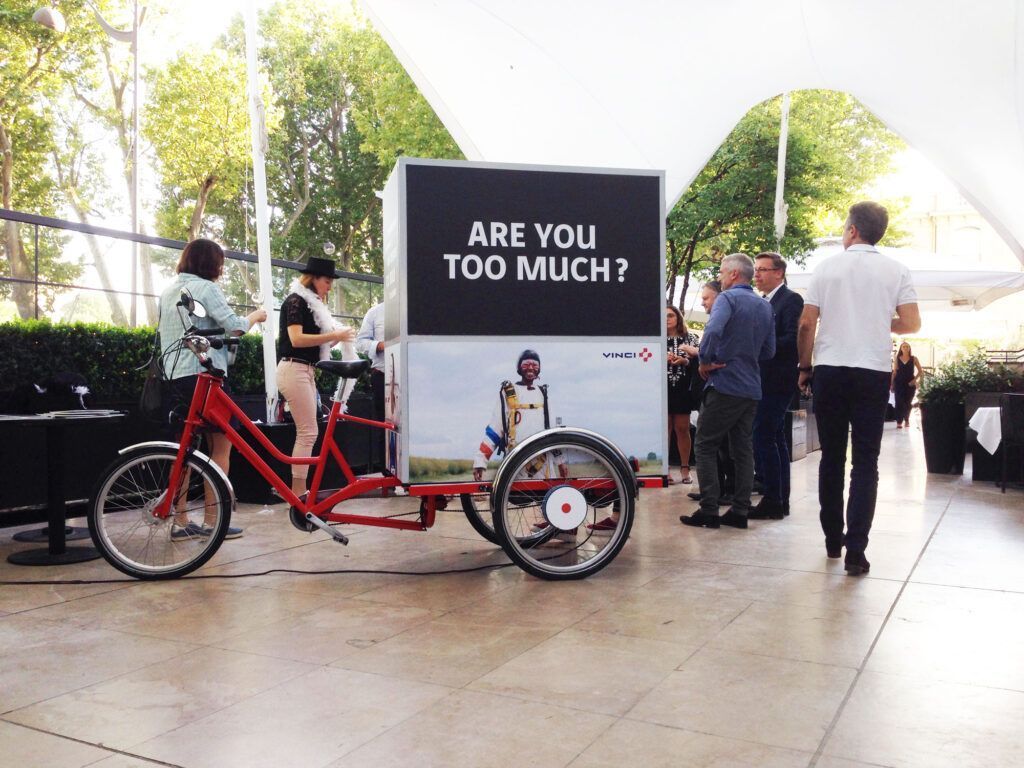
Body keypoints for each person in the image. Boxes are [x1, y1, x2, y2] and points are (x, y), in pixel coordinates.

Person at [797, 201, 920, 575]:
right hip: (872, 372)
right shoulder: (896, 270)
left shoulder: (826, 268)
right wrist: (880, 318)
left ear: (852, 230)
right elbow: (912, 323)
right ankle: (857, 550)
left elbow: (806, 324)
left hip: (831, 369)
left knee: (832, 457)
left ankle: (833, 540)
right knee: (866, 461)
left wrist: (805, 366)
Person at [158, 238, 267, 540]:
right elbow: (234, 326)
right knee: (221, 446)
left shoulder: (167, 292)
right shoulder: (206, 288)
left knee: (183, 450)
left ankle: (180, 521)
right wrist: (255, 317)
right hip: (205, 376)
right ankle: (212, 520)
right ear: (211, 264)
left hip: (175, 379)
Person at [681, 254, 774, 530]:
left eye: (722, 272)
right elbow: (769, 351)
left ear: (734, 274)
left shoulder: (727, 299)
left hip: (724, 384)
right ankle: (740, 510)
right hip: (751, 387)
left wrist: (706, 359)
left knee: (705, 443)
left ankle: (709, 509)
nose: (719, 277)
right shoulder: (764, 305)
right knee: (743, 449)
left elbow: (712, 331)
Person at [276, 257, 357, 498]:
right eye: (327, 280)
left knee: (309, 431)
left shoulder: (309, 305)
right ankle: (298, 492)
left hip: (304, 369)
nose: (330, 285)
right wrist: (335, 334)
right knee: (308, 431)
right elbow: (297, 340)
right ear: (313, 279)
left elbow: (312, 345)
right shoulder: (295, 301)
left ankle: (299, 491)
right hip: (294, 369)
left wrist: (337, 337)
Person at [748, 252, 804, 521]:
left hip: (777, 379)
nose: (756, 275)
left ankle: (773, 498)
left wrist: (756, 345)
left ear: (779, 272)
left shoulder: (790, 300)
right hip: (763, 378)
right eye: (756, 270)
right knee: (775, 438)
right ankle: (779, 500)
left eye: (762, 270)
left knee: (764, 436)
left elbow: (791, 339)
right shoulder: (764, 301)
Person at [472, 349, 566, 482]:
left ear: (539, 369)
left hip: (544, 465)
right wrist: (480, 462)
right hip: (517, 464)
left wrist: (560, 462)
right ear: (519, 368)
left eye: (535, 365)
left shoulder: (543, 394)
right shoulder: (509, 393)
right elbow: (495, 429)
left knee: (548, 500)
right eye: (526, 364)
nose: (531, 368)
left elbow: (553, 431)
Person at [666, 303, 700, 484]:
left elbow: (699, 361)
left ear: (678, 317)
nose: (667, 319)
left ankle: (685, 468)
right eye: (663, 316)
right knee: (665, 429)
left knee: (682, 428)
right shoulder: (656, 339)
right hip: (662, 389)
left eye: (670, 315)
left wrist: (684, 362)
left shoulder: (690, 338)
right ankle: (665, 470)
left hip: (683, 388)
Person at [356, 302, 386, 468]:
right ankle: (387, 474)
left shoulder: (416, 308)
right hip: (382, 375)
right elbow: (360, 343)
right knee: (384, 425)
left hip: (413, 376)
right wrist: (379, 345)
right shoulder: (375, 312)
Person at [891, 341, 923, 429]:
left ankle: (907, 419)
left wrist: (914, 380)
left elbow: (920, 371)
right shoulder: (897, 358)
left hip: (910, 383)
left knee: (908, 402)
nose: (905, 348)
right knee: (899, 402)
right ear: (901, 348)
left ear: (909, 348)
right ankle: (899, 421)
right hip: (899, 382)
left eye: (907, 346)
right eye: (904, 346)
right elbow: (894, 372)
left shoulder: (914, 358)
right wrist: (892, 384)